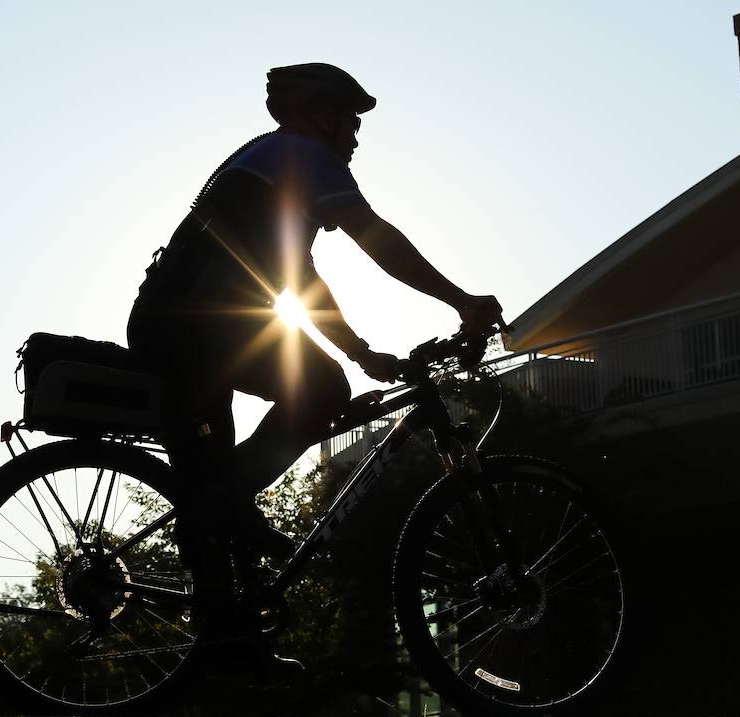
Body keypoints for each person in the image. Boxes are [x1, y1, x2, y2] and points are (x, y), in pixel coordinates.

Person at [125, 63, 503, 596]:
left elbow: (299, 279)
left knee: (215, 511)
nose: (352, 136)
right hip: (196, 325)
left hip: (183, 324)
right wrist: (462, 301)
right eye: (347, 121)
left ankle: (228, 639)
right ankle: (224, 504)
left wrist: (361, 352)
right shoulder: (303, 154)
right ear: (312, 115)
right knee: (321, 391)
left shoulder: (270, 162)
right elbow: (375, 238)